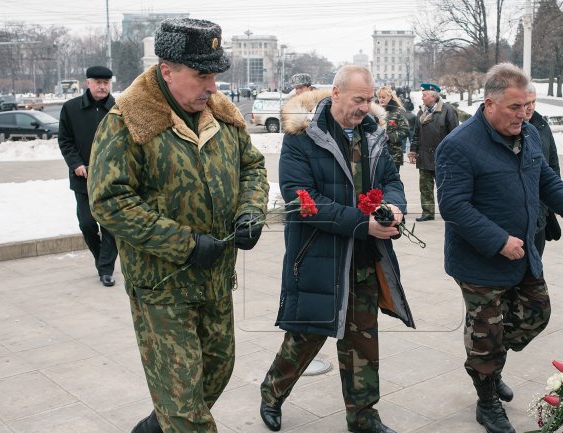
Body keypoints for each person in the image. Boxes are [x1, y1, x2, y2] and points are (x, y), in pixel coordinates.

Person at [87, 18, 269, 433]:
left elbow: (252, 168)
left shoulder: (222, 116)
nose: (212, 88)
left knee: (217, 371)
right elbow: (109, 201)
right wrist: (184, 244)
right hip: (163, 286)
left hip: (216, 279)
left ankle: (159, 422)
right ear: (167, 71)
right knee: (189, 415)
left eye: (214, 76)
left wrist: (250, 213)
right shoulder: (127, 122)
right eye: (202, 76)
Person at [435, 63, 563, 433]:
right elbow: (453, 206)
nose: (523, 114)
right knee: (486, 333)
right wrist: (498, 240)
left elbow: (545, 178)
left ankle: (487, 366)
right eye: (514, 107)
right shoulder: (458, 146)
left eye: (527, 106)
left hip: (525, 255)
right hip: (479, 263)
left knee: (536, 314)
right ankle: (487, 398)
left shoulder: (528, 134)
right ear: (489, 103)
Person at [258, 65, 414, 433]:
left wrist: (393, 205)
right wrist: (363, 224)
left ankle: (364, 417)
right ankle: (271, 393)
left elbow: (391, 179)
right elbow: (302, 199)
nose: (364, 107)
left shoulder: (373, 134)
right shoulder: (302, 137)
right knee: (305, 337)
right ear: (337, 93)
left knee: (363, 340)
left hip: (364, 257)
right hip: (318, 257)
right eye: (357, 99)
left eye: (369, 99)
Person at [58, 65, 118, 287]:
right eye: (98, 82)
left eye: (106, 82)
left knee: (110, 227)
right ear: (88, 83)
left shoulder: (118, 109)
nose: (102, 86)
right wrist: (76, 164)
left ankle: (106, 269)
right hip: (83, 178)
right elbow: (65, 140)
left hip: (112, 179)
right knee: (87, 224)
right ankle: (102, 259)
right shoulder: (71, 108)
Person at [407, 82, 459, 221]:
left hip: (442, 157)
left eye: (424, 95)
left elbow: (455, 135)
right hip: (424, 156)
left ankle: (450, 212)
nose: (422, 98)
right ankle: (427, 212)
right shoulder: (420, 112)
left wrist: (453, 156)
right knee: (425, 187)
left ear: (433, 96)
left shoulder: (448, 110)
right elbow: (416, 134)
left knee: (445, 187)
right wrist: (413, 152)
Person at [524, 84, 562, 256]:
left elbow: (553, 165)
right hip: (518, 213)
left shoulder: (541, 125)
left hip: (540, 209)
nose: (530, 107)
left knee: (536, 262)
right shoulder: (505, 128)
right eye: (526, 102)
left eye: (534, 102)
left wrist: (553, 204)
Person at [376, 85, 409, 172]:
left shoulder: (398, 111)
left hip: (394, 154)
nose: (381, 99)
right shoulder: (375, 111)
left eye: (383, 97)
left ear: (390, 97)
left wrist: (389, 136)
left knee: (393, 181)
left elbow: (405, 130)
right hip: (377, 153)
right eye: (379, 97)